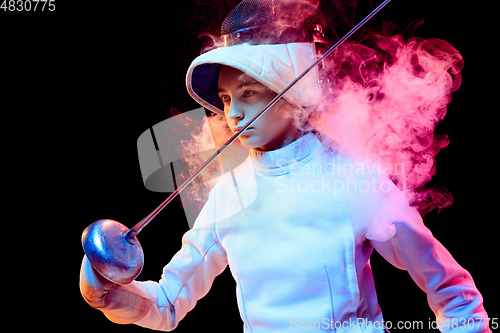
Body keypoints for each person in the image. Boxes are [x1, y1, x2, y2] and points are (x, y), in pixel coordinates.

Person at [80, 1, 490, 332]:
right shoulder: (230, 194)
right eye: (225, 99)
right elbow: (167, 305)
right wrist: (109, 292)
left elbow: (453, 291)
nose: (234, 113)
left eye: (249, 92)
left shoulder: (354, 180)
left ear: (291, 92)